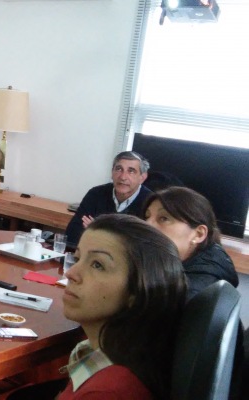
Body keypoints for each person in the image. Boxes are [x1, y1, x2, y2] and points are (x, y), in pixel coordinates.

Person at [58, 213, 186, 399]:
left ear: (137, 292)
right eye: (78, 258)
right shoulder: (109, 352)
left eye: (97, 265)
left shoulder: (108, 392)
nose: (71, 273)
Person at [142, 186, 239, 299]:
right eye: (147, 217)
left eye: (164, 218)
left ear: (199, 234)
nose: (146, 225)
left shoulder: (189, 292)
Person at [65, 151, 152, 247]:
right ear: (112, 173)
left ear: (142, 177)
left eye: (131, 171)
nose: (123, 177)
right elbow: (72, 235)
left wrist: (98, 235)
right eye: (119, 169)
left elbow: (143, 247)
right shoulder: (96, 194)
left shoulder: (151, 203)